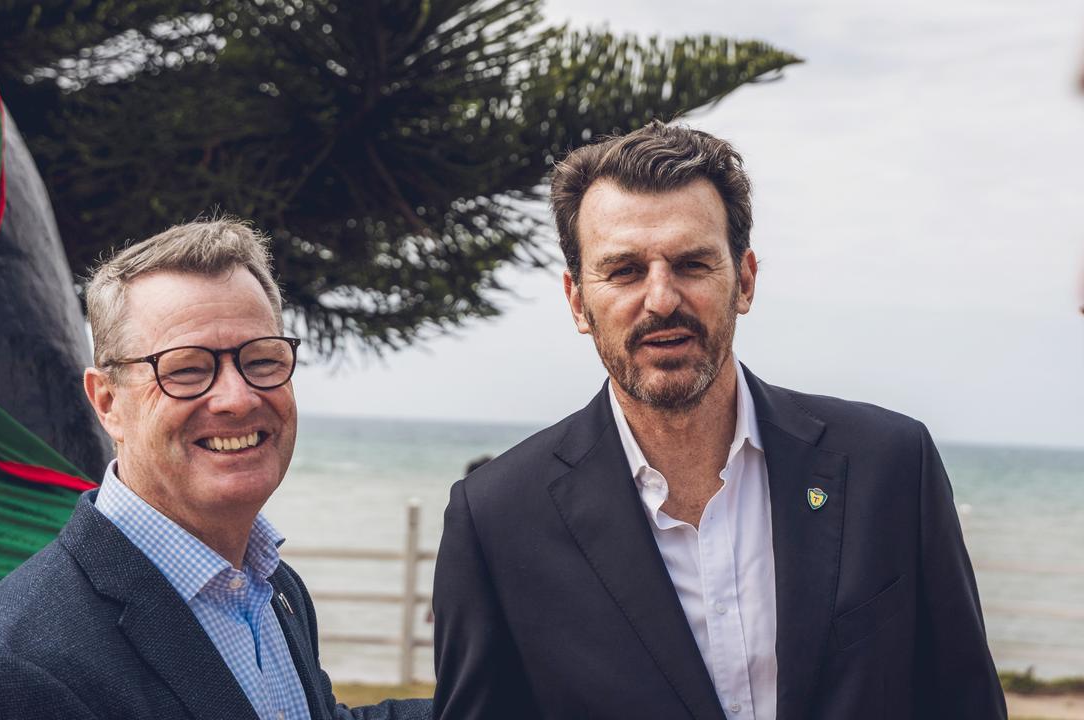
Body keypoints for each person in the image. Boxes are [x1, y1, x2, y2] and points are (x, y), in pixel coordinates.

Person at [431, 122, 1006, 720]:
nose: (661, 299)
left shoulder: (889, 464)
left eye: (692, 264)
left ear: (745, 280)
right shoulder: (497, 519)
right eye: (625, 270)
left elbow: (965, 701)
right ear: (578, 301)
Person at [0, 220, 430, 720]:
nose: (237, 397)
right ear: (107, 402)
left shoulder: (272, 588)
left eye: (262, 360)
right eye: (186, 369)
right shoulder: (16, 670)